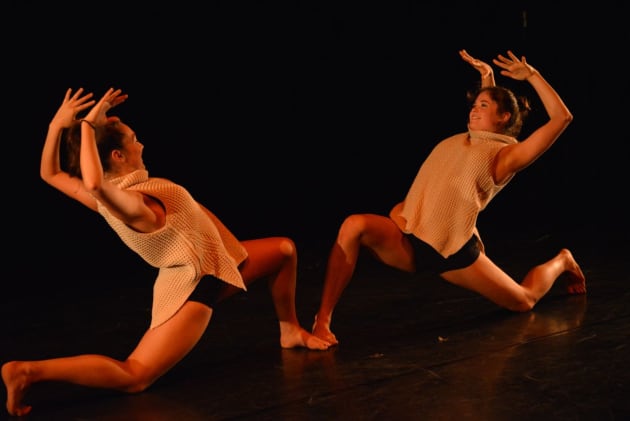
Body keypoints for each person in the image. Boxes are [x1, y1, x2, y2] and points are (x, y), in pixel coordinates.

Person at [2, 87, 332, 417]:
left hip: (216, 264)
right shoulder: (131, 204)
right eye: (133, 139)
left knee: (284, 250)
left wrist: (55, 126)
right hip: (193, 287)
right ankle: (28, 371)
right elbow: (92, 183)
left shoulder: (133, 189)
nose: (140, 143)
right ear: (117, 156)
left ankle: (289, 330)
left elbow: (51, 174)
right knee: (134, 376)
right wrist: (87, 125)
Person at [311, 49, 586, 346]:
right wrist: (487, 78)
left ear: (504, 117)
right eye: (474, 105)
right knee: (354, 225)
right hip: (409, 234)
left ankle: (562, 261)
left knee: (524, 300)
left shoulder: (507, 156)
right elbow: (484, 120)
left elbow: (562, 118)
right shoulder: (464, 140)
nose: (474, 109)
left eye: (483, 106)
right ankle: (322, 321)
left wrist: (531, 75)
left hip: (453, 252)